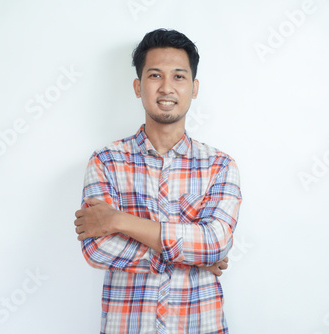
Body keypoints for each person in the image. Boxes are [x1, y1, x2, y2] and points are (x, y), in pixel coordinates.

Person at [74, 28, 242, 334]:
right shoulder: (106, 161)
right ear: (138, 87)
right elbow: (97, 248)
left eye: (179, 76)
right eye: (155, 76)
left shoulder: (220, 165)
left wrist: (119, 221)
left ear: (194, 87)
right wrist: (195, 258)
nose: (166, 87)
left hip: (200, 325)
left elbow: (216, 242)